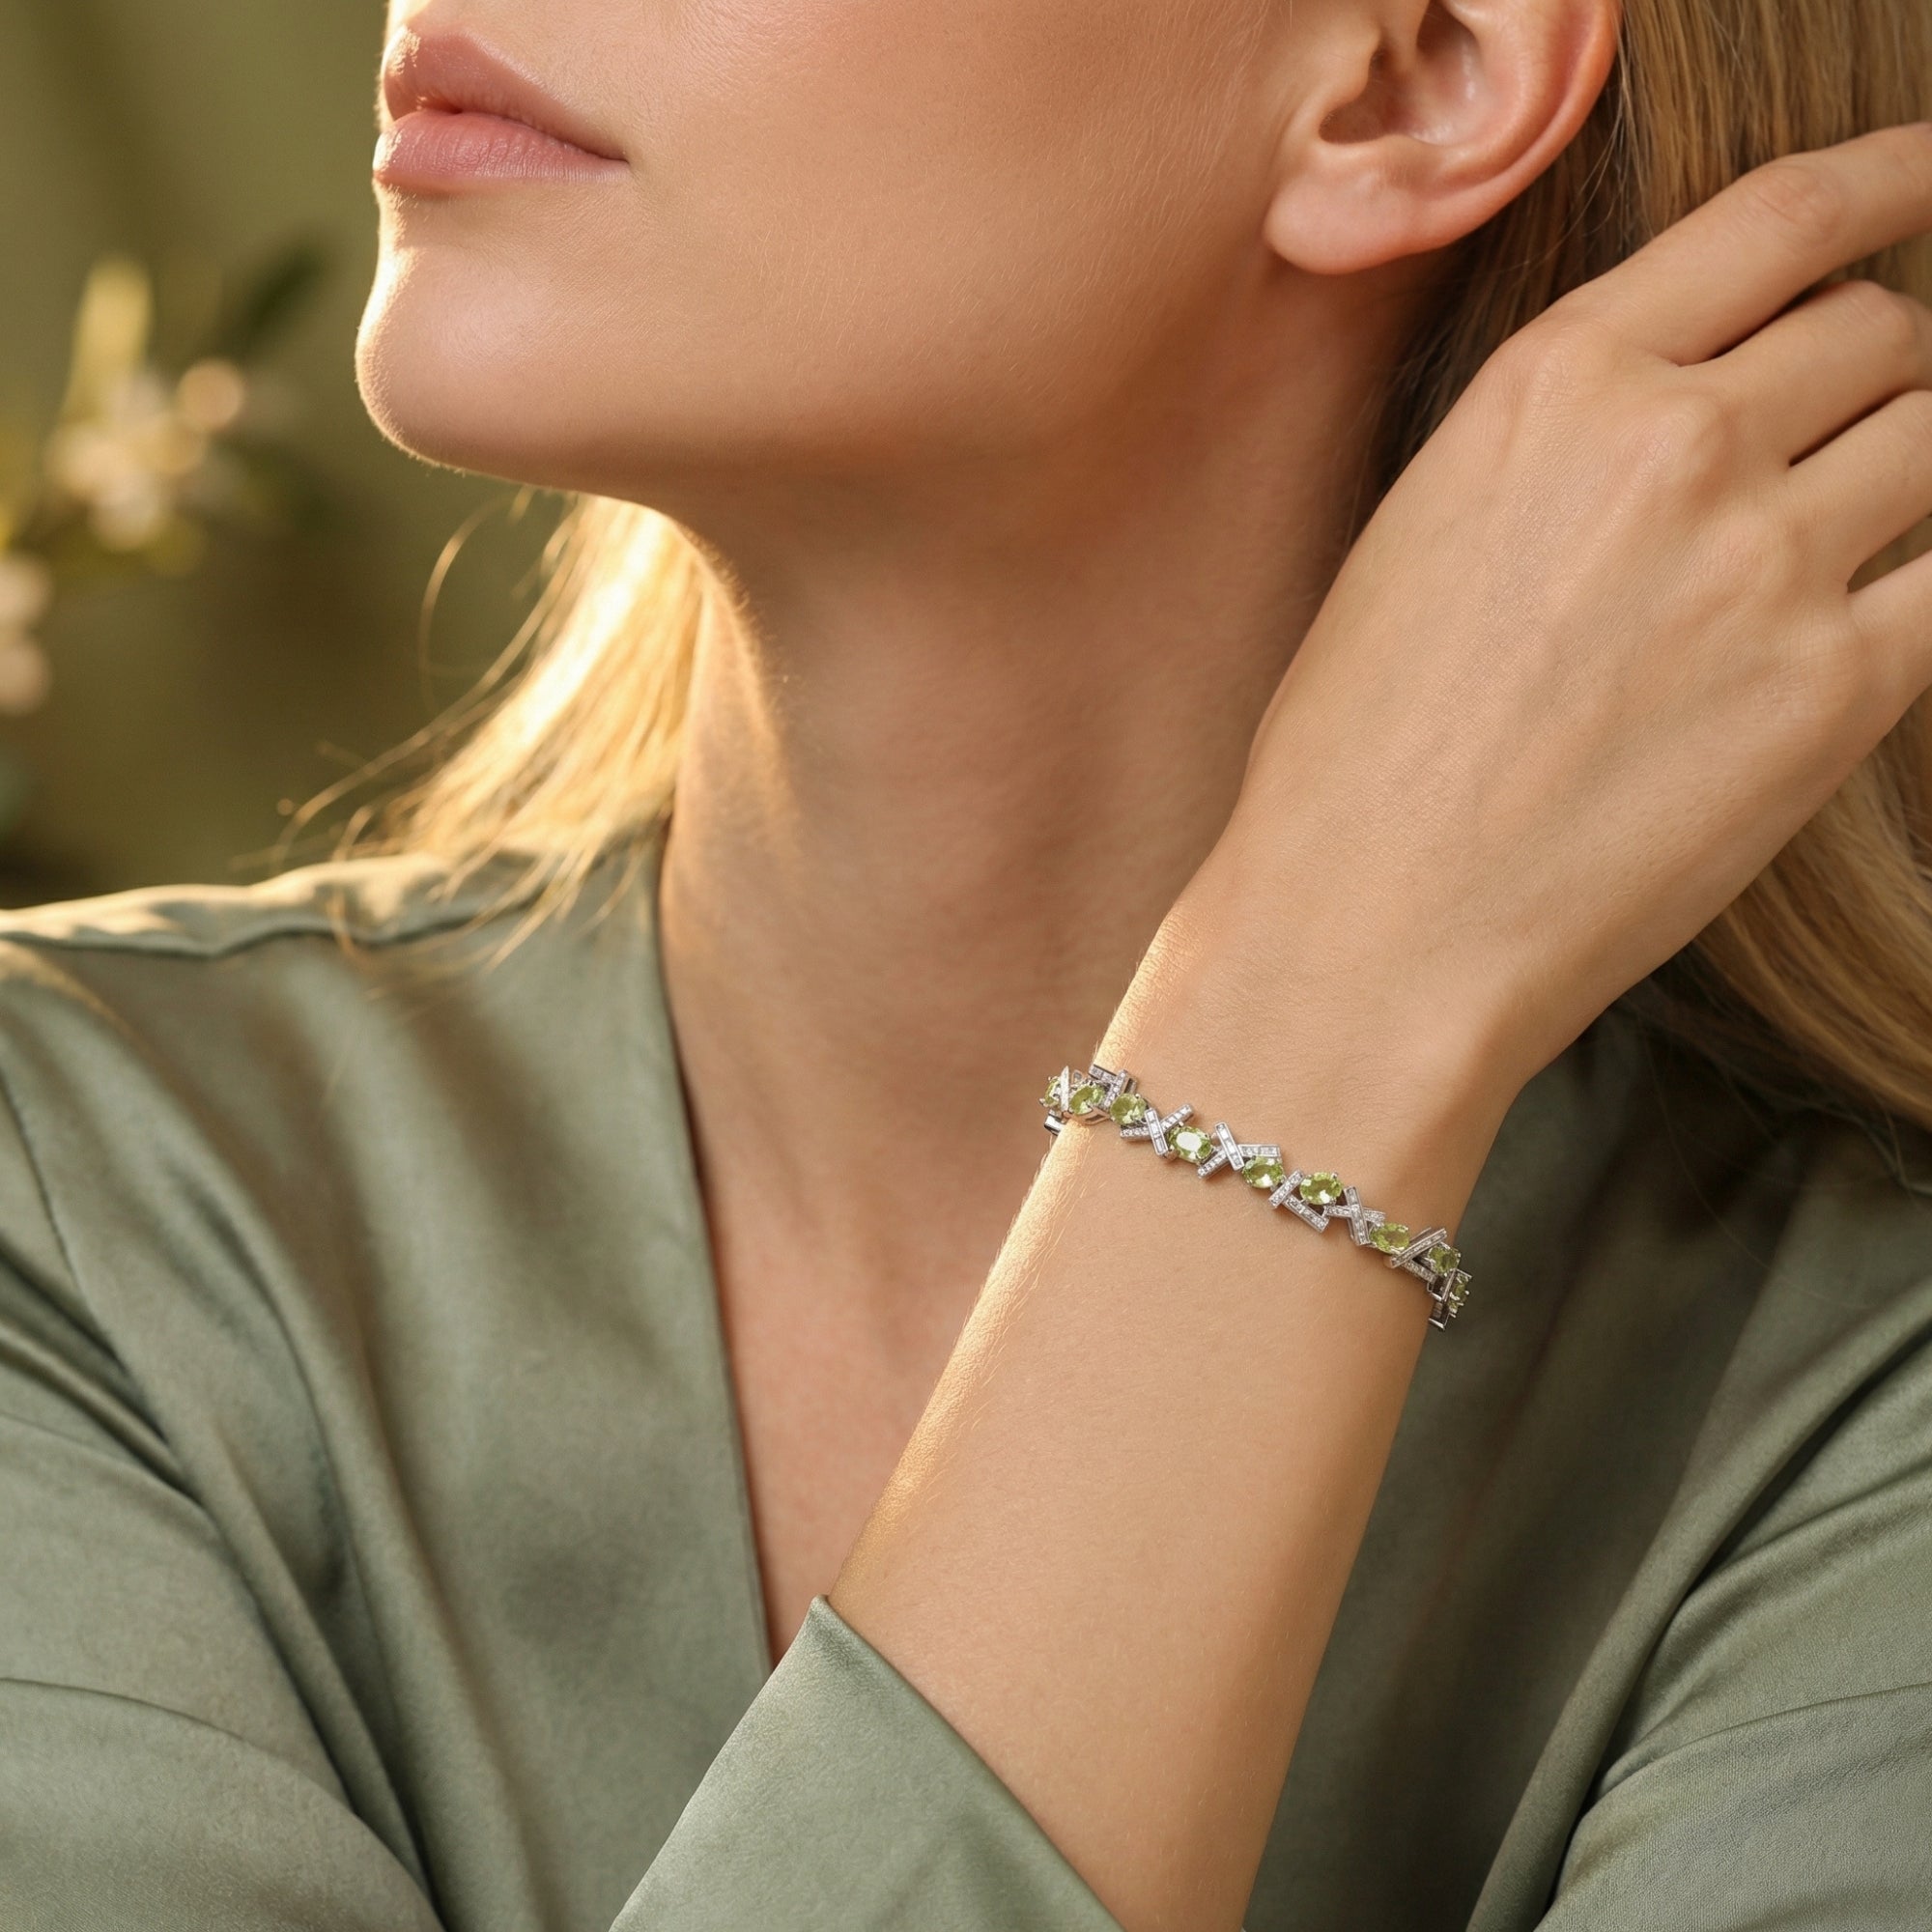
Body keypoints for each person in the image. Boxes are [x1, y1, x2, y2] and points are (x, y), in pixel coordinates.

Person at [4, 0, 1931, 1926]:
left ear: (1407, 73)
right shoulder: (56, 1196)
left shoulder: (1869, 1400)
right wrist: (1321, 1006)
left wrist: (1337, 999)